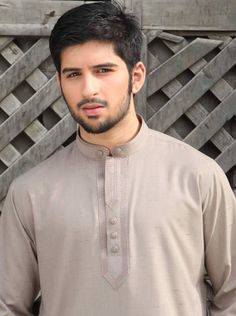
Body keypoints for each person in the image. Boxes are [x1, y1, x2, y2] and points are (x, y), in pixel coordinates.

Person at [0, 1, 236, 315]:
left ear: (136, 76)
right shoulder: (29, 193)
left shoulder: (199, 176)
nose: (88, 89)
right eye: (73, 74)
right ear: (59, 83)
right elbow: (8, 306)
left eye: (103, 70)